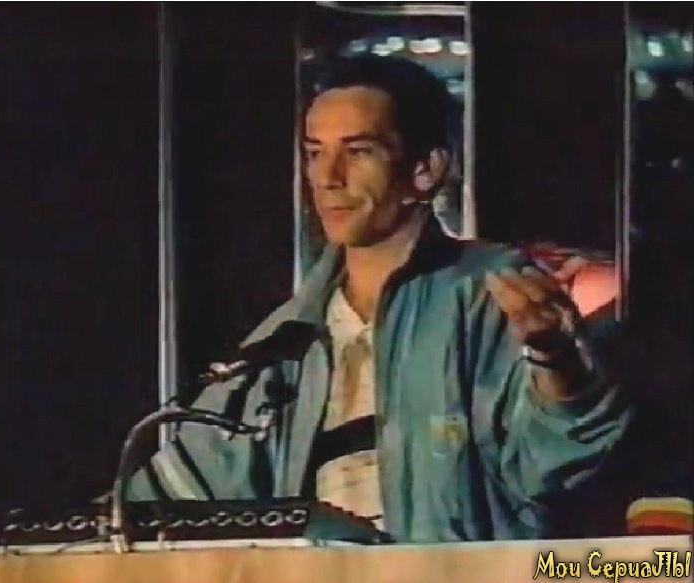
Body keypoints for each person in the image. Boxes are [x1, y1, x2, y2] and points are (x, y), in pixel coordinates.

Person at [127, 55, 632, 543]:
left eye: (358, 151)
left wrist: (555, 359)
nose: (328, 177)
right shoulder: (286, 339)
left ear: (425, 170)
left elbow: (559, 461)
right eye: (315, 152)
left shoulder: (492, 292)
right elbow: (165, 503)